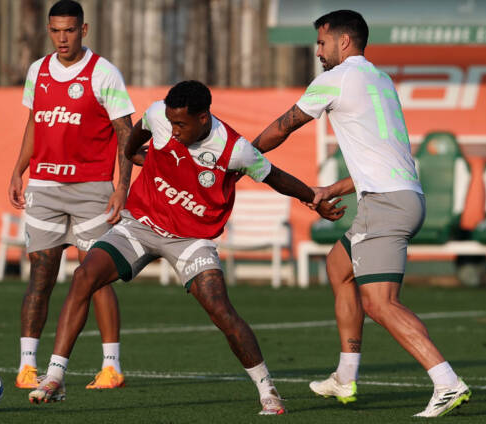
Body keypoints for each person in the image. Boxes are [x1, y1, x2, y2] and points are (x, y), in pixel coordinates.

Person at [26, 80, 342, 415]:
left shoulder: (235, 150)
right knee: (83, 276)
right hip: (141, 224)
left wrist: (313, 199)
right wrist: (133, 152)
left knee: (220, 308)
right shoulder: (159, 116)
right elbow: (137, 133)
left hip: (192, 239)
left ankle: (268, 389)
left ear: (204, 118)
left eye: (181, 124)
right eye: (171, 122)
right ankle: (56, 376)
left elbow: (275, 177)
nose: (174, 131)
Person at [252, 10, 471, 418]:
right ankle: (345, 376)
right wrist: (333, 189)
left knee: (381, 303)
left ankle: (446, 381)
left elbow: (283, 127)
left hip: (385, 204)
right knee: (340, 267)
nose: (317, 51)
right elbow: (383, 155)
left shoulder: (336, 79)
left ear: (344, 42)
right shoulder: (380, 80)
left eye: (322, 43)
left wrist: (243, 157)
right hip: (398, 197)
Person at [8, 0, 131, 391]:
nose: (62, 38)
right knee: (40, 277)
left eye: (69, 30)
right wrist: (18, 169)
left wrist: (121, 186)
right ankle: (27, 366)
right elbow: (34, 123)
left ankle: (111, 367)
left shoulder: (104, 73)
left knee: (95, 277)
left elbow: (126, 132)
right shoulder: (37, 71)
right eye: (56, 30)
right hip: (43, 188)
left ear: (84, 30)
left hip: (92, 190)